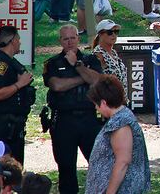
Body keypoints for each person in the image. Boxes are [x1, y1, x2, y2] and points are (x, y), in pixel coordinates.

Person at [43, 25, 103, 194]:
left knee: (98, 165)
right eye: (65, 39)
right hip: (64, 120)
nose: (69, 42)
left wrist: (77, 65)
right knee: (66, 167)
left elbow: (98, 80)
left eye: (72, 38)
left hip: (89, 119)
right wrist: (84, 77)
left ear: (78, 38)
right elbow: (57, 85)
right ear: (60, 41)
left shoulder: (91, 60)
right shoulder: (53, 63)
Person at [85, 75, 151, 193]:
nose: (96, 107)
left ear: (103, 102)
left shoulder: (121, 123)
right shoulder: (119, 119)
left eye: (96, 104)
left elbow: (123, 161)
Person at [0, 26, 35, 164]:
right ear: (12, 41)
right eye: (18, 39)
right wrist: (19, 84)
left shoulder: (11, 62)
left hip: (14, 125)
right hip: (4, 126)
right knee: (8, 168)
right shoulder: (1, 63)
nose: (19, 42)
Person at [91, 20, 127, 94]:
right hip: (110, 101)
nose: (114, 35)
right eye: (109, 32)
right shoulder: (98, 54)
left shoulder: (113, 52)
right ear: (100, 34)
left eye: (116, 32)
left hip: (122, 100)